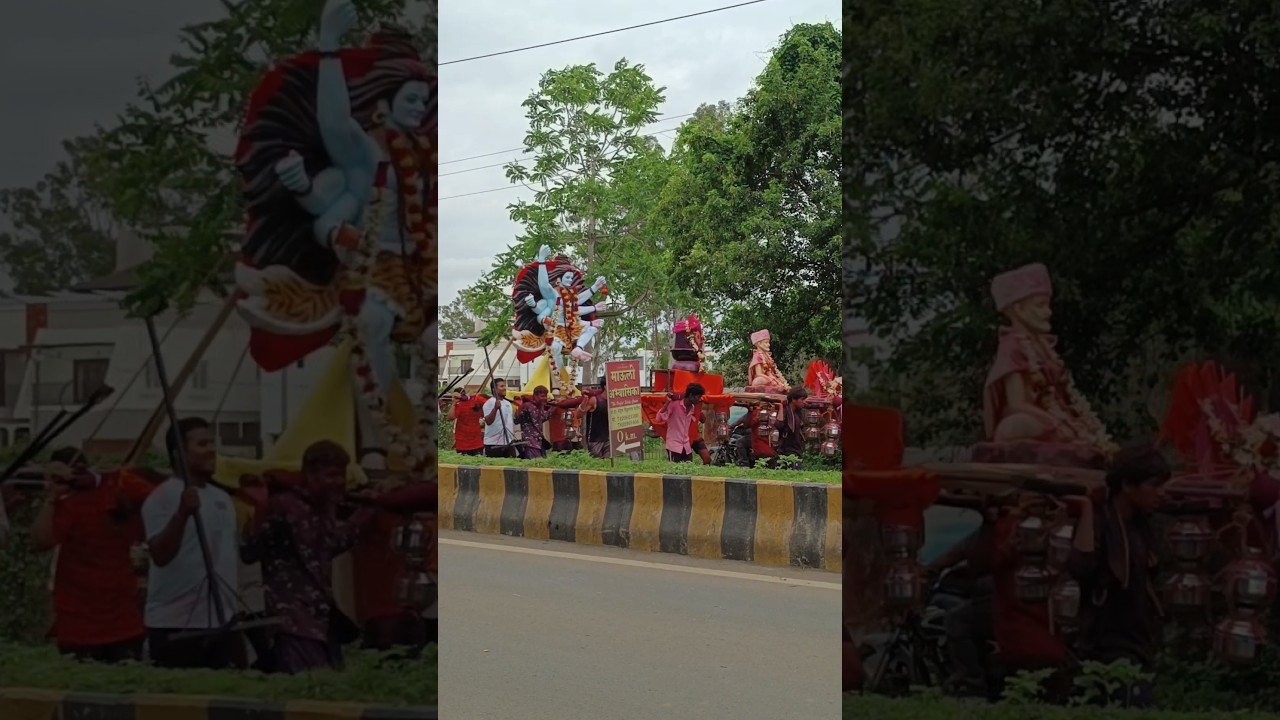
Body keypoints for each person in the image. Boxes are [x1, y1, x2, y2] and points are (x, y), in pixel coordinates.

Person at [240, 440, 375, 673]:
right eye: (331, 475)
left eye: (341, 475)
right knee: (308, 694)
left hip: (321, 621)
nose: (338, 482)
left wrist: (367, 512)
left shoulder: (322, 508)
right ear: (310, 475)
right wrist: (261, 509)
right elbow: (249, 550)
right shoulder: (285, 505)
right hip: (292, 621)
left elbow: (332, 544)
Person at [28, 447, 155, 663]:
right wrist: (52, 496)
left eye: (81, 467)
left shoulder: (118, 494)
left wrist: (109, 476)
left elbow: (152, 492)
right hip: (79, 626)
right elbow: (41, 541)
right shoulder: (66, 505)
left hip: (122, 622)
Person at [1066, 445, 1169, 708]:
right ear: (1126, 484)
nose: (1161, 493)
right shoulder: (1101, 521)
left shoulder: (1142, 525)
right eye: (1153, 485)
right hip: (1104, 642)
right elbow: (1082, 566)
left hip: (1137, 640)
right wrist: (1087, 508)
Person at [141, 417, 242, 669]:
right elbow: (161, 555)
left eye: (212, 443)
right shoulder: (162, 497)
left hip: (222, 619)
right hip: (176, 624)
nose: (211, 450)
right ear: (179, 455)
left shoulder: (222, 498)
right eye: (202, 444)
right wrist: (182, 514)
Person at [656, 384, 706, 463]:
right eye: (698, 397)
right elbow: (658, 418)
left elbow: (703, 419)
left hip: (686, 447)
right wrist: (667, 403)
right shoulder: (674, 404)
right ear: (691, 396)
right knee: (675, 473)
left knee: (688, 471)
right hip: (674, 446)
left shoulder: (692, 407)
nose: (700, 399)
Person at [516, 386, 555, 459]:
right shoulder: (529, 406)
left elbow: (542, 419)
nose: (544, 398)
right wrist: (552, 408)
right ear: (535, 396)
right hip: (530, 442)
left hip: (538, 442)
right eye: (542, 396)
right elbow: (538, 419)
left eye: (545, 396)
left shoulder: (539, 406)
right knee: (536, 465)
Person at [482, 380, 519, 458]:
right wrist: (495, 408)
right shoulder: (489, 403)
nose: (505, 388)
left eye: (505, 386)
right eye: (501, 386)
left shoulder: (508, 403)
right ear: (494, 389)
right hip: (493, 443)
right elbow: (488, 421)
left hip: (508, 442)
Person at [774, 386, 809, 466]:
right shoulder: (785, 410)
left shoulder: (798, 412)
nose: (804, 402)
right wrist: (780, 407)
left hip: (796, 448)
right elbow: (779, 425)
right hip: (786, 449)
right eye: (802, 399)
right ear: (793, 399)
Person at [448, 390, 484, 456]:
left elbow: (484, 401)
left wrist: (471, 396)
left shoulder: (476, 402)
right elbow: (450, 417)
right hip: (462, 443)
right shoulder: (458, 405)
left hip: (476, 442)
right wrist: (454, 403)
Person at [580, 386, 611, 458]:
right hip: (594, 439)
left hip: (608, 439)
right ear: (606, 387)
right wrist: (584, 401)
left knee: (608, 464)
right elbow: (579, 414)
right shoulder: (595, 400)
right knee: (596, 463)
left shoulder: (613, 401)